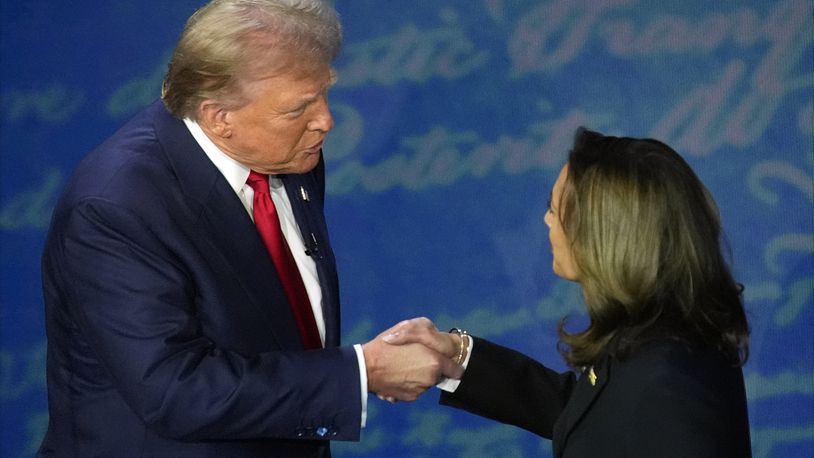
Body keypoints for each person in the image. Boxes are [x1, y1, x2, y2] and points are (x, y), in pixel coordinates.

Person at [38, 1, 460, 456]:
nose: (326, 120)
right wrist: (361, 372)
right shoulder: (116, 206)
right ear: (219, 117)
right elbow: (175, 392)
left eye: (324, 93)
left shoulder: (287, 152)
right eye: (299, 107)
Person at [384, 128, 752, 457]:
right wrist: (458, 358)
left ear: (604, 234)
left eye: (554, 209)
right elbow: (591, 418)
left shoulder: (669, 384)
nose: (547, 220)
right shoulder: (653, 335)